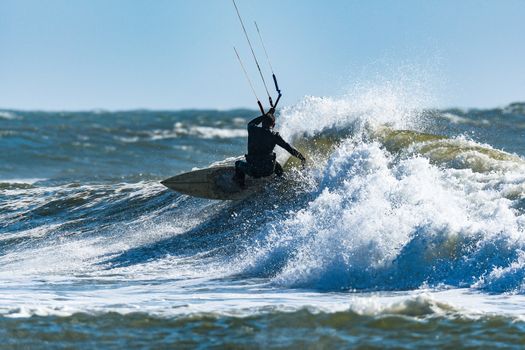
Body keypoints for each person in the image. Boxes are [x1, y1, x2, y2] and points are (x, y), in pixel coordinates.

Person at [233, 107, 306, 188]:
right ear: (273, 125)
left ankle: (240, 185)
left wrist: (264, 115)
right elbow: (289, 148)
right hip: (268, 170)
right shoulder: (275, 136)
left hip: (254, 170)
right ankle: (280, 181)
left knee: (238, 164)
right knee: (276, 164)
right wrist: (301, 157)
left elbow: (250, 123)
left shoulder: (252, 130)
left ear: (262, 122)